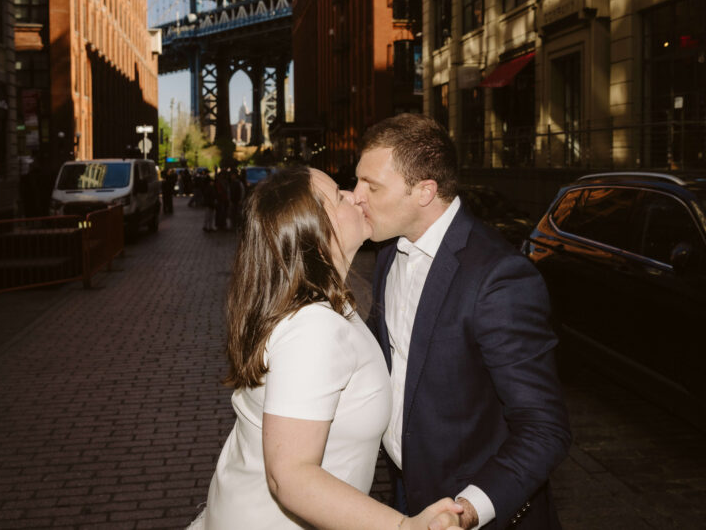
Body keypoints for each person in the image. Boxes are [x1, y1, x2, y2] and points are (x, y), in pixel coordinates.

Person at [187, 166, 464, 530]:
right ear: (316, 234)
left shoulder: (314, 309)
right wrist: (403, 528)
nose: (355, 195)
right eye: (339, 195)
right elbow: (289, 476)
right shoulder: (313, 329)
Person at [353, 113, 571, 529]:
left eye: (371, 185)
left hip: (476, 509)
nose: (356, 195)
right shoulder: (387, 253)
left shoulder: (498, 277)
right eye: (358, 180)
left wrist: (466, 510)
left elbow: (545, 428)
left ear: (424, 191)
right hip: (404, 489)